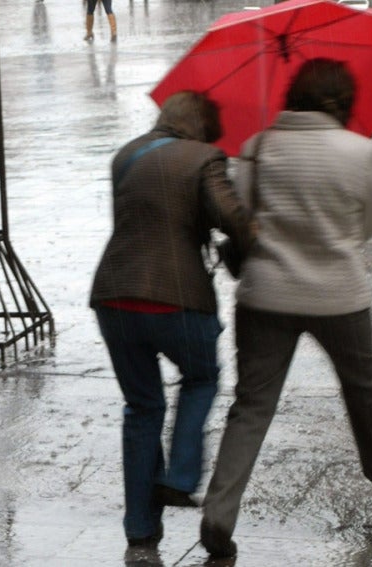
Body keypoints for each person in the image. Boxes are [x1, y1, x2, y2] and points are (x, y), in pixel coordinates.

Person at [199, 58, 372, 559]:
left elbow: (244, 219)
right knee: (363, 390)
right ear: (345, 102)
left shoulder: (257, 148)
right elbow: (368, 225)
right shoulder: (360, 150)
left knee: (252, 406)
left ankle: (219, 512)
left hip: (265, 294)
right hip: (339, 295)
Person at [90, 91, 253, 548]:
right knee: (201, 377)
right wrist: (237, 250)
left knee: (142, 408)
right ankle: (180, 476)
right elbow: (233, 218)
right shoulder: (206, 158)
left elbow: (145, 218)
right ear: (201, 126)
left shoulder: (125, 155)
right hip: (177, 299)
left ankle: (140, 527)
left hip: (114, 297)